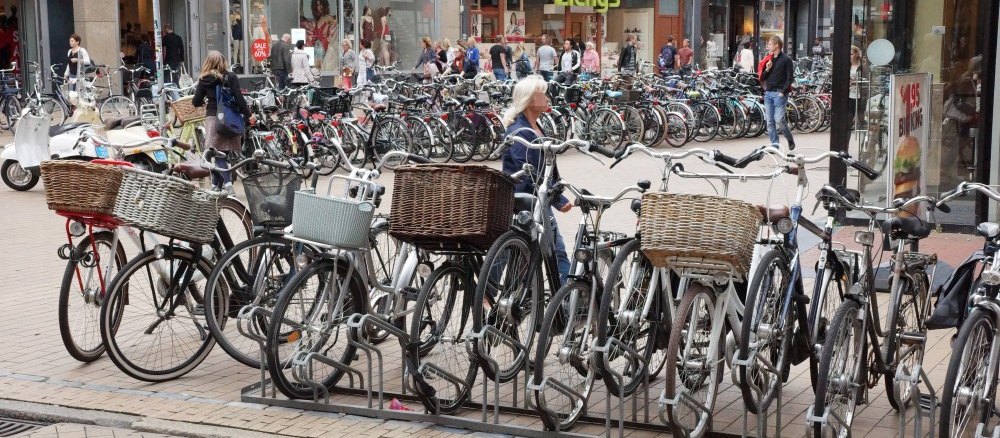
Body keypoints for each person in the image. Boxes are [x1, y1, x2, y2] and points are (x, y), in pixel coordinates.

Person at [500, 75, 572, 284]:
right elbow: (531, 172)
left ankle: (560, 297)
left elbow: (547, 167)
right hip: (528, 199)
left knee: (523, 253)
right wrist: (558, 199)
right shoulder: (520, 131)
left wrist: (556, 192)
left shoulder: (534, 126)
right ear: (531, 99)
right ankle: (566, 299)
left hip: (537, 198)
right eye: (544, 94)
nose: (548, 98)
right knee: (554, 251)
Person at [192, 50, 251, 194]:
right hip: (230, 119)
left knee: (214, 152)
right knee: (222, 152)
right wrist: (248, 115)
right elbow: (239, 98)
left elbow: (196, 101)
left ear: (208, 63)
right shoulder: (231, 76)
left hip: (213, 118)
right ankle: (217, 185)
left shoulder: (204, 79)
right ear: (223, 62)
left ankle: (226, 184)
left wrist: (205, 101)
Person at [759, 35, 795, 150]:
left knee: (779, 119)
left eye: (770, 44)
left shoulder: (786, 59)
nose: (768, 46)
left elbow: (790, 78)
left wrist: (783, 92)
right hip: (769, 93)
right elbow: (762, 77)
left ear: (776, 45)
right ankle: (775, 146)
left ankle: (789, 138)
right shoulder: (769, 59)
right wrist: (767, 69)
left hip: (779, 93)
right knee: (769, 121)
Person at [848, 45, 865, 127]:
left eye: (851, 54)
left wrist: (856, 81)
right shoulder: (848, 65)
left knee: (859, 110)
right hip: (850, 92)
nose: (850, 56)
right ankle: (851, 124)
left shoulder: (861, 66)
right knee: (850, 112)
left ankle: (858, 123)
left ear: (857, 54)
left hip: (859, 93)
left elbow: (866, 79)